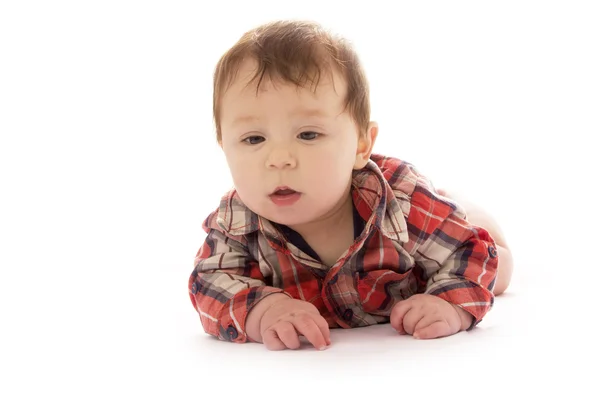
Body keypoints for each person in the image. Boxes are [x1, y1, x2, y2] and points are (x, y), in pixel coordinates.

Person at [188, 20, 514, 351]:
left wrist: (449, 305)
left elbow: (469, 253)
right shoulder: (236, 224)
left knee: (498, 270)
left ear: (361, 145)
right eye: (253, 138)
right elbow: (209, 283)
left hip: (429, 232)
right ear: (224, 146)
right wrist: (263, 309)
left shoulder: (402, 203)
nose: (279, 158)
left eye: (308, 134)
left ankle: (460, 206)